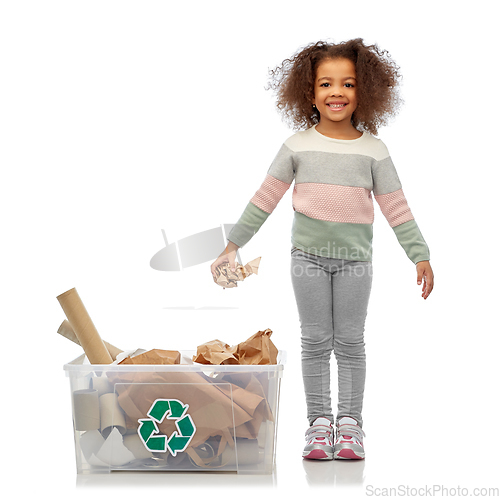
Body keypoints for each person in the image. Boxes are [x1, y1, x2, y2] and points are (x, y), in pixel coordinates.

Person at [210, 38, 434, 461]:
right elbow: (264, 199)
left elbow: (396, 208)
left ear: (364, 91)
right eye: (326, 84)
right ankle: (318, 425)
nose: (336, 92)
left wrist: (419, 254)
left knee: (350, 341)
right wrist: (232, 246)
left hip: (355, 263)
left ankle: (349, 426)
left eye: (347, 84)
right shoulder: (296, 146)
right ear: (309, 93)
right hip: (307, 260)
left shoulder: (374, 151)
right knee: (315, 341)